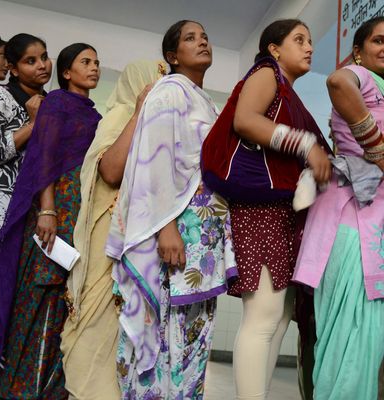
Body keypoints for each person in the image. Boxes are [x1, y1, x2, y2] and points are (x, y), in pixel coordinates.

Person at [105, 20, 237, 399]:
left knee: (192, 336)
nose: (202, 42)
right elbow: (153, 162)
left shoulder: (203, 98)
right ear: (172, 56)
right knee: (167, 334)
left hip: (201, 239)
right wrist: (166, 228)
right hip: (178, 231)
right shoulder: (169, 92)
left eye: (205, 36)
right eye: (190, 38)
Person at [222, 19, 331, 400]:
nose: (309, 48)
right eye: (298, 40)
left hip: (285, 213)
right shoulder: (267, 74)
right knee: (263, 319)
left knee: (279, 320)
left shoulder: (291, 94)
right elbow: (245, 120)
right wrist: (305, 145)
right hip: (263, 210)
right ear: (274, 48)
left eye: (310, 41)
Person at [0, 43, 101, 400]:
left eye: (97, 62)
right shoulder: (57, 104)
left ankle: (51, 388)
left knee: (64, 300)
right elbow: (44, 158)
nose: (94, 67)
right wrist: (49, 209)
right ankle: (22, 388)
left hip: (79, 211)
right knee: (41, 294)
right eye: (86, 62)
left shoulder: (95, 115)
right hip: (54, 212)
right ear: (67, 72)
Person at [61, 59, 166, 400]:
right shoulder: (121, 116)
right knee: (93, 321)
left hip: (138, 241)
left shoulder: (162, 127)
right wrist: (137, 114)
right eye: (155, 80)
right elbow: (109, 171)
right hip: (106, 239)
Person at [293, 16, 384, 400]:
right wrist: (378, 148)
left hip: (374, 219)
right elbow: (336, 82)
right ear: (358, 52)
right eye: (379, 41)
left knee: (366, 341)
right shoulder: (360, 78)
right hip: (352, 220)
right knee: (348, 333)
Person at [0, 33, 51, 397]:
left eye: (44, 57)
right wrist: (32, 125)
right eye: (30, 60)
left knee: (9, 295)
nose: (41, 65)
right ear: (11, 66)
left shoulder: (49, 102)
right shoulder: (1, 97)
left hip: (27, 217)